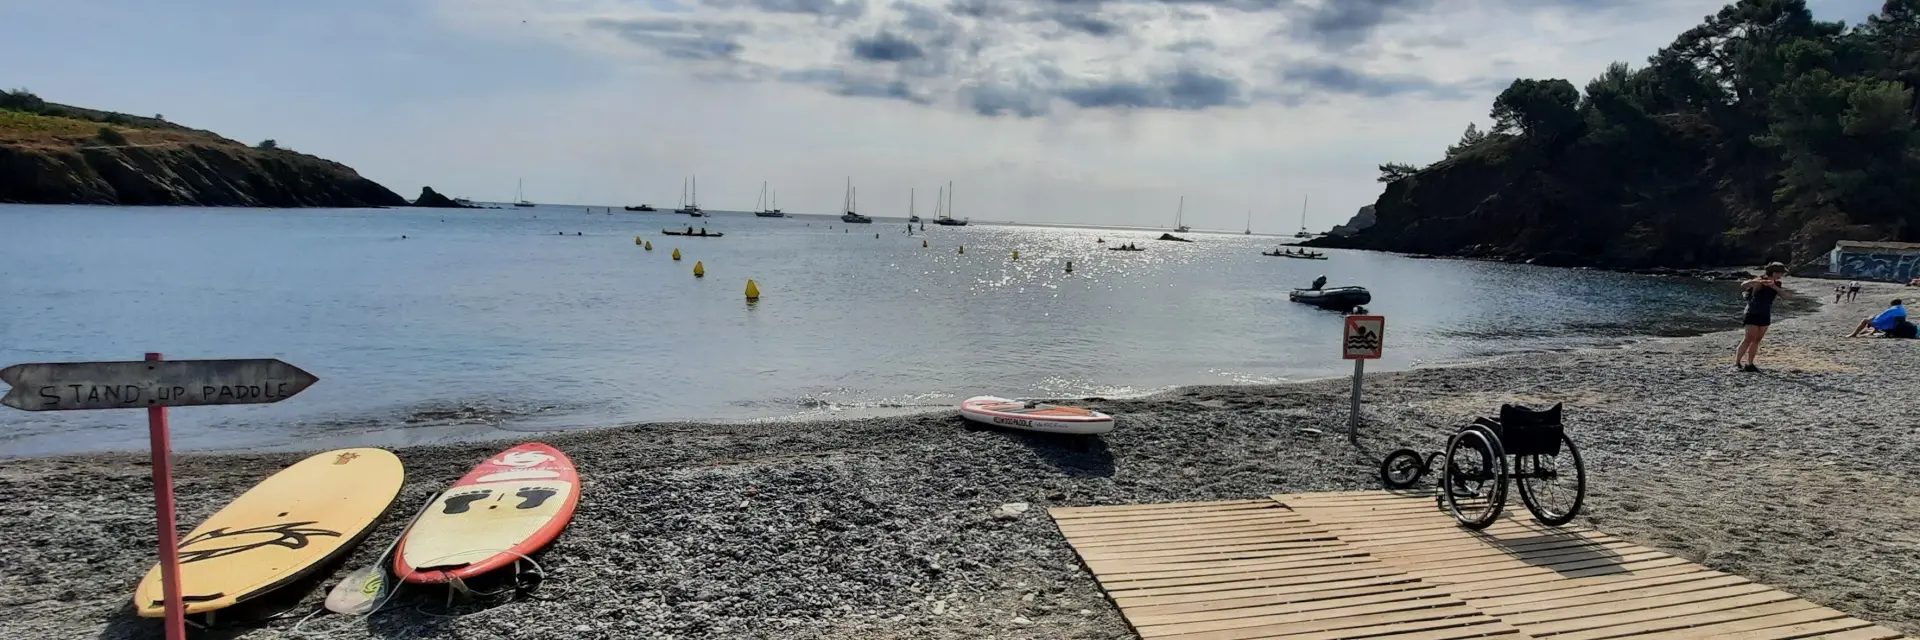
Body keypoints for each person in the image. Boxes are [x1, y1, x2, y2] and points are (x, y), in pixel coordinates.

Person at [1735, 262, 1788, 372]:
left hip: (1765, 313)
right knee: (1749, 338)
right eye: (1780, 273)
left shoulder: (1777, 284)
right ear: (1774, 272)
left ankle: (1750, 363)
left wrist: (1774, 287)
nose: (1781, 275)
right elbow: (1743, 285)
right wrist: (1758, 282)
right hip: (1752, 312)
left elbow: (1785, 296)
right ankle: (1737, 363)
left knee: (1757, 340)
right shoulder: (1760, 280)